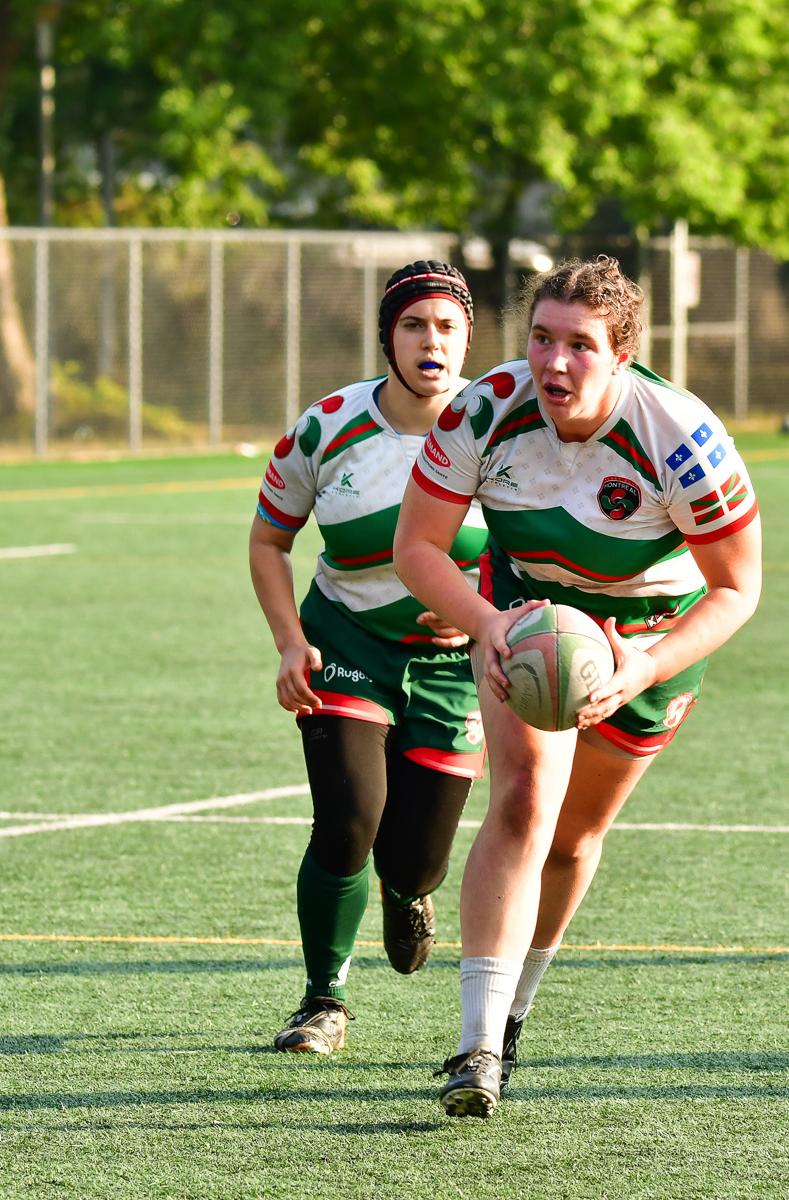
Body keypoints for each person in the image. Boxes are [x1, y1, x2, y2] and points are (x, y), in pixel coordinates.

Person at [393, 256, 763, 1116]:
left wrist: (642, 665)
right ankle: (475, 1047)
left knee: (571, 839)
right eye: (542, 339)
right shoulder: (486, 409)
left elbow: (738, 588)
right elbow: (419, 547)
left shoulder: (681, 434)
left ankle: (516, 1013)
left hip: (648, 642)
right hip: (525, 622)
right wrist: (490, 626)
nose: (555, 364)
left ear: (623, 356)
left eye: (582, 347)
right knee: (521, 802)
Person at [248, 260, 490, 1053]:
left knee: (417, 861)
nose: (432, 342)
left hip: (456, 673)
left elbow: (532, 548)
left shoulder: (502, 429)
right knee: (348, 820)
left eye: (448, 327)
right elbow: (268, 539)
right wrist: (291, 640)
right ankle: (324, 999)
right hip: (345, 644)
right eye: (414, 325)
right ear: (387, 337)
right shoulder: (327, 426)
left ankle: (407, 891)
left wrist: (482, 618)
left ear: (466, 339)